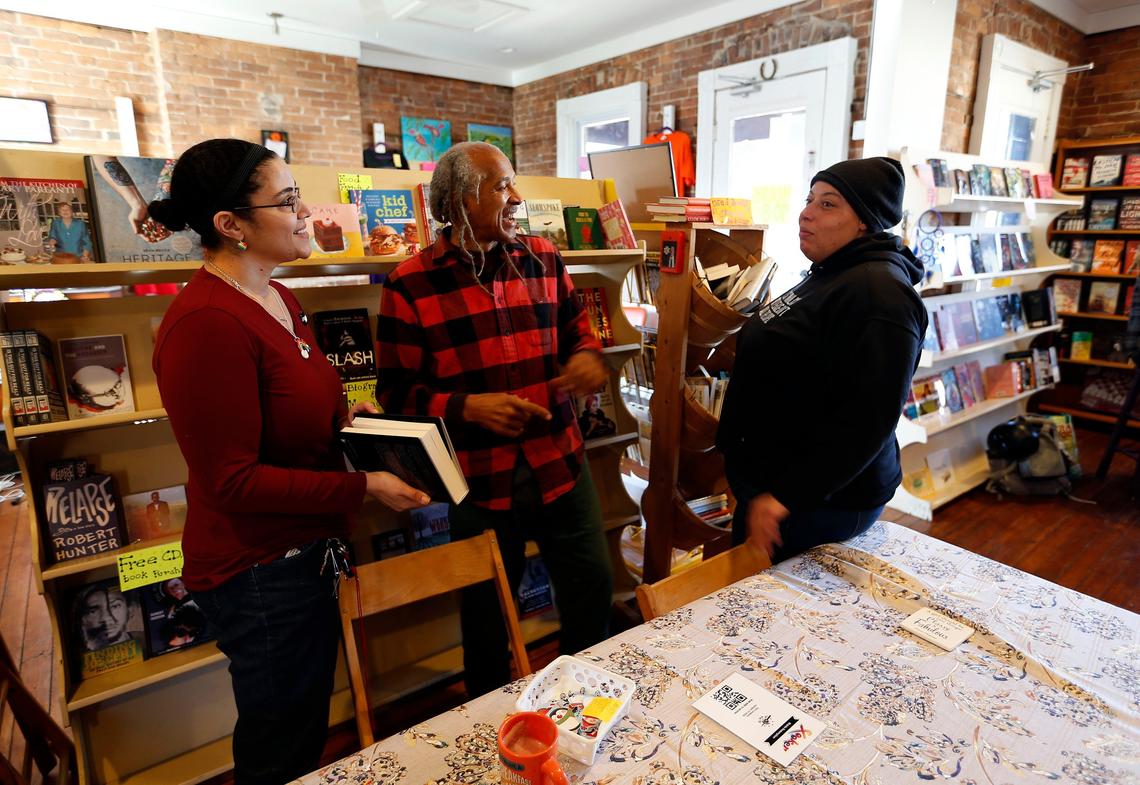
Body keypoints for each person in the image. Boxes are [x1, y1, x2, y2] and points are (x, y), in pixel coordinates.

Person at [149, 138, 430, 785]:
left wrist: (349, 426)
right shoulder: (206, 325)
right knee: (280, 749)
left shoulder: (278, 297)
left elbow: (304, 408)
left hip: (302, 558)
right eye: (288, 202)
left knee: (301, 727)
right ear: (230, 225)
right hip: (259, 574)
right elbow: (232, 480)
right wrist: (363, 485)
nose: (308, 214)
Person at [376, 141, 614, 696]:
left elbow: (579, 326)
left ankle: (587, 701)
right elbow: (395, 393)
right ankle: (486, 723)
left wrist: (584, 355)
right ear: (460, 201)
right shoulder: (409, 284)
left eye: (513, 183)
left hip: (560, 462)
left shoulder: (545, 258)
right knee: (485, 615)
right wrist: (466, 407)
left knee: (592, 588)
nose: (517, 197)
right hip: (478, 481)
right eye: (501, 186)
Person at [717, 156, 928, 563]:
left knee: (772, 620)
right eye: (809, 199)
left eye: (828, 204)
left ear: (864, 220)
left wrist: (784, 498)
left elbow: (869, 420)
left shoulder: (880, 293)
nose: (806, 213)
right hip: (776, 492)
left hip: (814, 505)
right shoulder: (832, 270)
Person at [76, 583, 135, 651]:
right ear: (82, 620)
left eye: (114, 606)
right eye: (93, 611)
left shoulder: (143, 641)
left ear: (130, 609)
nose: (105, 618)